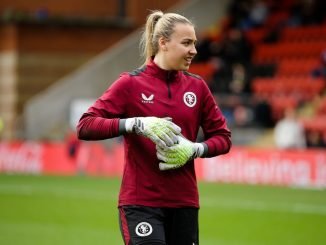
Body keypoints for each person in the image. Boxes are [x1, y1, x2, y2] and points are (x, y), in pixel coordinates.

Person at [77, 10, 231, 245]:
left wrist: (195, 149)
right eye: (187, 43)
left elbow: (222, 137)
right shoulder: (130, 83)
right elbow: (85, 125)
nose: (194, 50)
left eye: (195, 43)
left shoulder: (198, 87)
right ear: (163, 43)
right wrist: (135, 124)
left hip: (184, 202)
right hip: (141, 203)